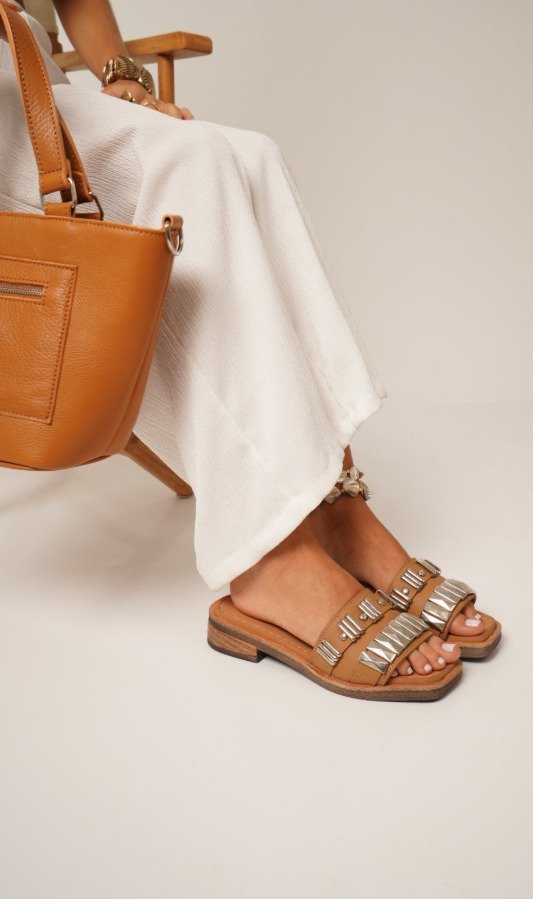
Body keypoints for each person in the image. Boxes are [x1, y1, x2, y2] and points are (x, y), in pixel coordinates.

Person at [0, 0, 501, 700]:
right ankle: (269, 557)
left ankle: (335, 501)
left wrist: (121, 75)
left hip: (30, 82)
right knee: (197, 161)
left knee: (251, 154)